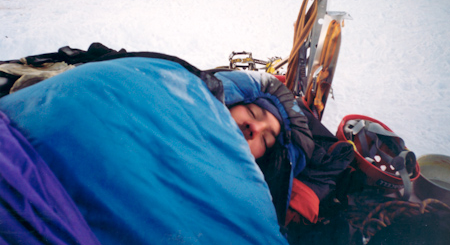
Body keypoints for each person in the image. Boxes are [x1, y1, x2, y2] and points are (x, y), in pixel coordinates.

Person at [0, 50, 314, 244]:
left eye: (266, 139)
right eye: (254, 113)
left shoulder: (246, 192)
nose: (254, 128)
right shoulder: (177, 90)